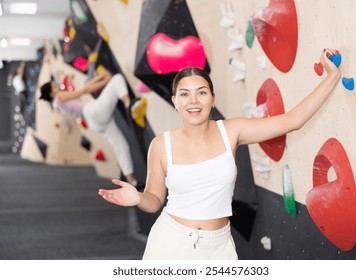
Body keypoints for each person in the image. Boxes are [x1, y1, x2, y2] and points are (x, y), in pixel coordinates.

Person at [98, 49, 341, 259]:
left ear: (212, 99)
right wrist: (139, 198)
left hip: (220, 248)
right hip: (170, 244)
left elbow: (292, 120)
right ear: (174, 101)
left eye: (201, 92)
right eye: (184, 94)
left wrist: (332, 76)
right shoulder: (161, 144)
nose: (193, 101)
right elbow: (155, 200)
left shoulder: (232, 130)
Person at [39, 67, 147, 188]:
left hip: (94, 122)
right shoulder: (59, 97)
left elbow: (84, 88)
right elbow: (84, 90)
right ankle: (129, 105)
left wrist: (101, 78)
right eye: (54, 86)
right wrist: (104, 80)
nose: (57, 87)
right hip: (92, 112)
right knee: (117, 79)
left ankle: (132, 181)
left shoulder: (57, 104)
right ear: (51, 93)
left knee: (121, 146)